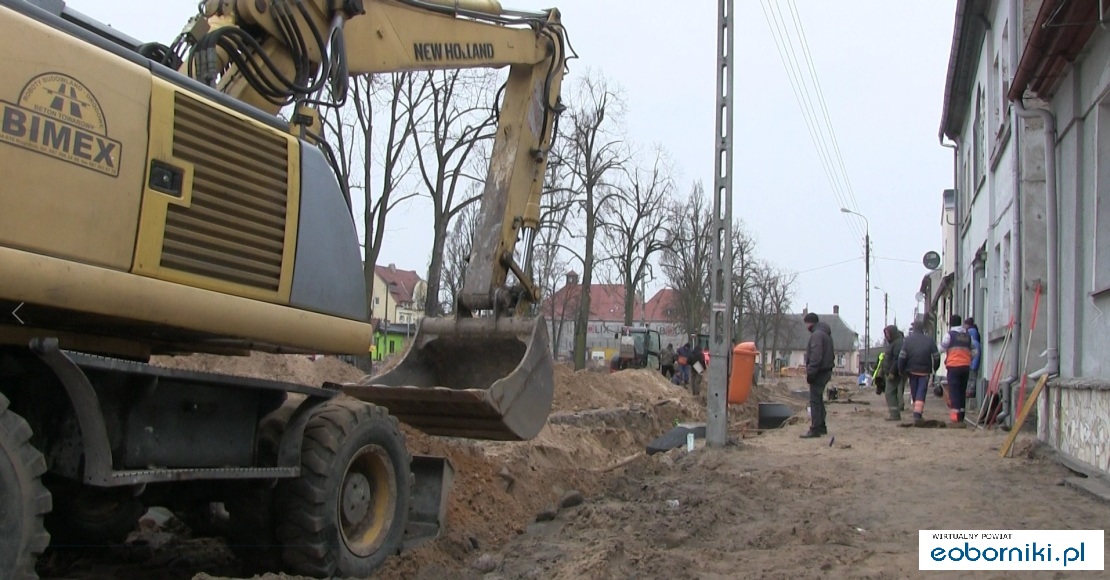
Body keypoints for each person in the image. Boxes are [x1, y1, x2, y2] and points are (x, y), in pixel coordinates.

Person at [898, 321, 940, 424]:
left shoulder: (907, 341)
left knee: (914, 391)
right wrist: (935, 368)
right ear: (923, 329)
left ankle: (916, 411)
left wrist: (901, 370)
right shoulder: (929, 341)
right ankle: (917, 413)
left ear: (914, 329)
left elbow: (902, 357)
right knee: (921, 391)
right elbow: (936, 356)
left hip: (911, 371)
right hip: (925, 371)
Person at [800, 313, 835, 438]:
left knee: (814, 400)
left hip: (819, 372)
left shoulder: (817, 335)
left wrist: (811, 373)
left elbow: (816, 356)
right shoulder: (825, 334)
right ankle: (821, 426)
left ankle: (815, 428)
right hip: (825, 370)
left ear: (810, 323)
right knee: (818, 399)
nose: (806, 327)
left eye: (806, 324)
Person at [940, 314, 978, 427]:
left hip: (953, 366)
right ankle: (961, 416)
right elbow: (975, 351)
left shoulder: (949, 335)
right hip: (965, 366)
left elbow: (942, 348)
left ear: (951, 323)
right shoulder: (967, 336)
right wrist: (968, 358)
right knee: (962, 391)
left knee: (954, 391)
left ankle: (955, 419)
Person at [879, 324, 906, 421]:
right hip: (891, 372)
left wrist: (892, 372)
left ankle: (894, 415)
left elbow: (896, 359)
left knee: (889, 393)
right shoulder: (893, 343)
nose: (886, 336)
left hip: (894, 373)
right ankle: (894, 413)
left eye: (888, 333)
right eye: (885, 334)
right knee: (892, 392)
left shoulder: (897, 343)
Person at [964, 317, 982, 401]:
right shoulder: (976, 342)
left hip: (971, 365)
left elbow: (974, 355)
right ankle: (970, 391)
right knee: (971, 378)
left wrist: (971, 364)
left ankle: (970, 391)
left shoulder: (973, 343)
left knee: (971, 378)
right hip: (972, 364)